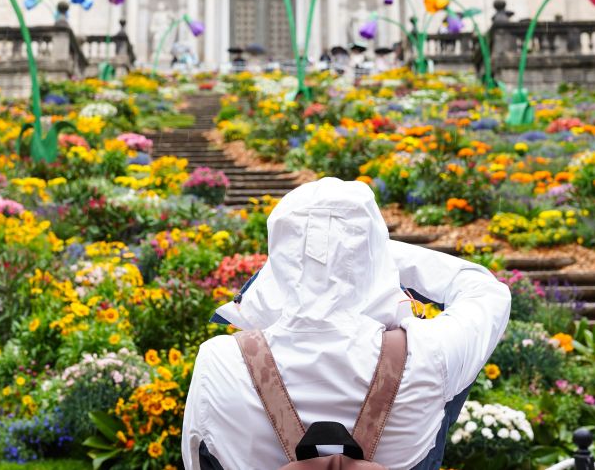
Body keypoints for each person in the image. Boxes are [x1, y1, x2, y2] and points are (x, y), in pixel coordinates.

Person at [182, 178, 511, 470]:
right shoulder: (428, 353)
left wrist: (319, 253)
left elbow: (197, 460)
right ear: (374, 253)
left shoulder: (220, 362)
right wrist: (376, 252)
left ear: (279, 253)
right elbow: (486, 290)